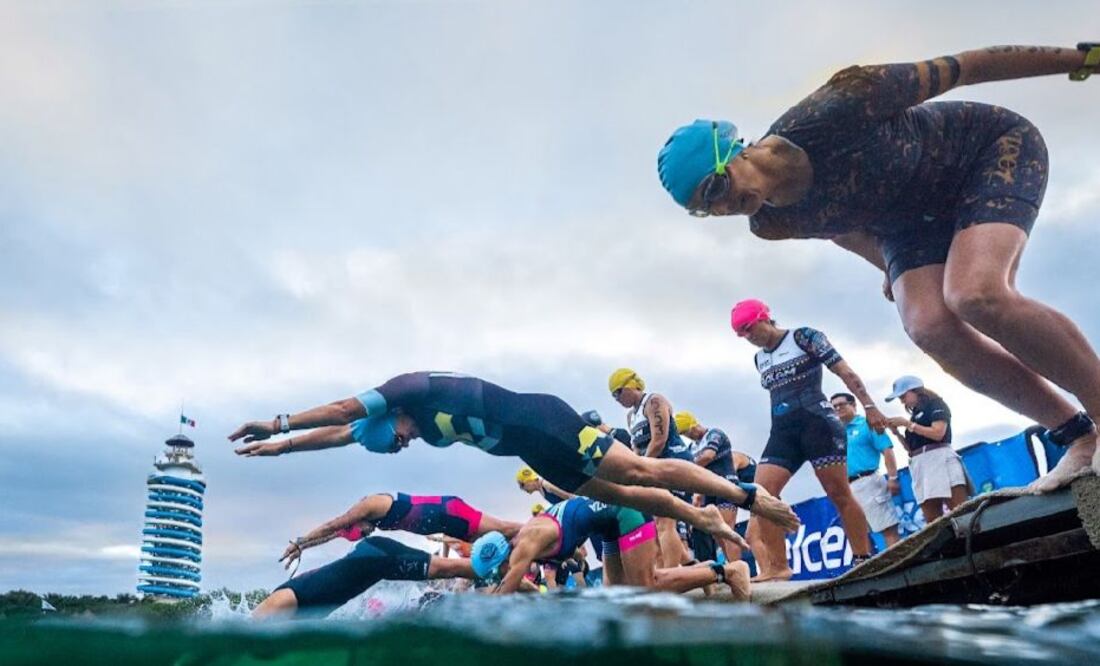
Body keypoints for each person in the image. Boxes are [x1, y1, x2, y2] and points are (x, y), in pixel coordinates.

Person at [656, 43, 1100, 493]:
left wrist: (1081, 60)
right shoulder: (770, 221)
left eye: (716, 187)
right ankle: (1076, 435)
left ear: (732, 151)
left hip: (980, 154)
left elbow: (968, 67)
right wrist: (887, 267)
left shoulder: (838, 105)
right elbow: (839, 228)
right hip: (906, 225)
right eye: (706, 210)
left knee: (974, 293)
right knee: (928, 325)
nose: (725, 206)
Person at [228, 371, 799, 545]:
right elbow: (339, 433)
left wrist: (278, 419)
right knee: (621, 495)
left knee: (640, 470)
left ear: (390, 414)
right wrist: (277, 449)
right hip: (531, 449)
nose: (405, 443)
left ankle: (747, 497)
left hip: (542, 419)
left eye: (397, 438)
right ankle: (699, 516)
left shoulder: (407, 390)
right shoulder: (394, 425)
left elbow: (339, 409)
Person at [729, 300, 880, 581]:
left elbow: (845, 371)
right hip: (783, 432)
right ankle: (778, 567)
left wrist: (870, 407)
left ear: (765, 317)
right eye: (742, 334)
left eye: (750, 328)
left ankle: (862, 557)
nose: (749, 337)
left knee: (839, 493)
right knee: (760, 496)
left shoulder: (803, 337)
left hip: (818, 425)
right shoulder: (759, 358)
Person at [469, 496, 751, 600]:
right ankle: (700, 571)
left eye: (496, 571)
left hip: (624, 513)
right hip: (607, 526)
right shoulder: (525, 542)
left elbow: (504, 593)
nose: (499, 575)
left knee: (645, 590)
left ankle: (727, 571)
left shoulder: (525, 545)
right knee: (619, 598)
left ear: (502, 560)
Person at [275, 492, 522, 573]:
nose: (366, 535)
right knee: (502, 554)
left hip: (449, 512)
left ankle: (554, 522)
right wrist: (303, 548)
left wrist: (299, 541)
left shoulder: (369, 505)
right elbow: (330, 534)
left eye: (361, 534)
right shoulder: (365, 523)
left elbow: (332, 525)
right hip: (446, 524)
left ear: (357, 522)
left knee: (506, 529)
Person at [252, 536, 475, 619]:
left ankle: (501, 564)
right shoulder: (289, 607)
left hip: (378, 558)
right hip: (372, 554)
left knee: (449, 569)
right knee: (449, 571)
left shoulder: (280, 604)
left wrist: (303, 542)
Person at [608, 368, 696, 567]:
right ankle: (691, 566)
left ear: (632, 385)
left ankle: (673, 574)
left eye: (618, 392)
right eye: (613, 396)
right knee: (656, 526)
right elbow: (636, 449)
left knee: (665, 522)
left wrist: (640, 469)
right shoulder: (631, 416)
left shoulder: (654, 401)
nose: (616, 399)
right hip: (654, 468)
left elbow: (659, 440)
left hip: (673, 462)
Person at [884, 376, 969, 523]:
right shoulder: (915, 416)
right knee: (932, 518)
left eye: (904, 396)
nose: (902, 401)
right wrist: (897, 432)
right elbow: (911, 449)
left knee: (959, 510)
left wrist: (908, 425)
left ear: (915, 391)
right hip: (920, 463)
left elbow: (938, 433)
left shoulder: (936, 404)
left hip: (940, 456)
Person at [675, 410, 755, 561]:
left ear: (693, 425)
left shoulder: (714, 433)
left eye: (687, 431)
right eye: (683, 434)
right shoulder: (692, 446)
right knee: (717, 532)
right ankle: (731, 565)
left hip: (727, 484)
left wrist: (686, 467)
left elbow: (708, 456)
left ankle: (738, 567)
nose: (687, 436)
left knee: (727, 530)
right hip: (710, 490)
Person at [831, 393, 901, 547]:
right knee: (860, 535)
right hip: (847, 488)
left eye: (841, 404)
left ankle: (901, 566)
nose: (838, 408)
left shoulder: (868, 424)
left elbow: (887, 450)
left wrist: (892, 477)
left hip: (869, 481)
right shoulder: (835, 433)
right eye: (834, 406)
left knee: (887, 528)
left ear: (853, 405)